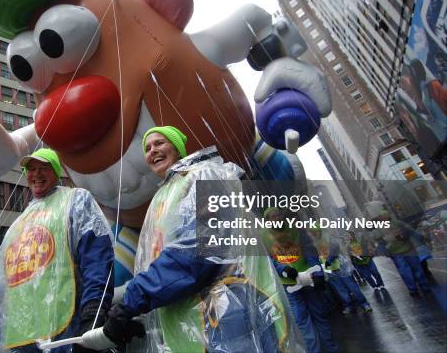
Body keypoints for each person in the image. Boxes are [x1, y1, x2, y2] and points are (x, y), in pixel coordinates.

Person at [103, 126, 303, 353]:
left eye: (160, 143)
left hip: (225, 310)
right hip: (192, 320)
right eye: (147, 148)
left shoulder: (201, 176)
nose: (153, 151)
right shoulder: (163, 196)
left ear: (177, 148)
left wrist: (132, 301)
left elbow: (198, 250)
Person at [0, 148, 114, 352]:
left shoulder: (76, 200)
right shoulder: (21, 220)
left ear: (57, 171)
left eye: (44, 168)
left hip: (66, 326)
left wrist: (93, 310)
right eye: (31, 169)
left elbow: (96, 256)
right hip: (22, 334)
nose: (37, 174)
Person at [261, 208, 338, 353]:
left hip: (308, 278)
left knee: (319, 315)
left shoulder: (296, 228)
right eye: (272, 217)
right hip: (289, 283)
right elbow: (269, 258)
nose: (276, 219)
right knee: (302, 320)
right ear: (267, 221)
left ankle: (331, 349)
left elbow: (309, 250)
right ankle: (314, 351)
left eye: (278, 215)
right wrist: (283, 269)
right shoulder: (263, 235)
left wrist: (319, 273)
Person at [309, 229, 372, 314]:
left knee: (352, 286)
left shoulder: (328, 237)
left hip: (340, 266)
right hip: (328, 269)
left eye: (315, 231)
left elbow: (335, 249)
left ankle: (364, 304)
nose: (313, 234)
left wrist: (329, 260)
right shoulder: (313, 243)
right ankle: (349, 305)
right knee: (340, 289)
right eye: (312, 232)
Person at [372, 210, 430, 296]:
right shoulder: (397, 223)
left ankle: (413, 289)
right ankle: (423, 287)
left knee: (406, 271)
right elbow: (411, 231)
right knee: (416, 269)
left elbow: (380, 243)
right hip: (406, 250)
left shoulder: (379, 229)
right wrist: (421, 237)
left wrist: (386, 252)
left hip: (399, 252)